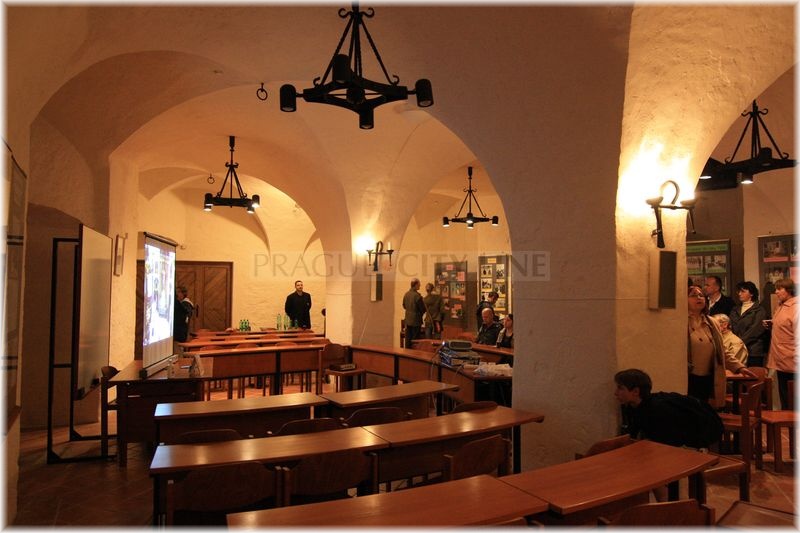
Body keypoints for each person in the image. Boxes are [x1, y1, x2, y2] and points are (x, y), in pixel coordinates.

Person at [614, 368, 724, 449]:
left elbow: (671, 443)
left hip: (696, 442)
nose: (615, 393)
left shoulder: (658, 410)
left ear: (635, 392)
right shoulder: (633, 407)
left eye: (620, 388)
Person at [688, 285, 753, 407]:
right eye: (693, 295)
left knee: (707, 411)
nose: (699, 298)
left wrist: (739, 367)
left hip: (709, 377)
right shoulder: (682, 322)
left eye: (701, 295)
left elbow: (721, 350)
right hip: (689, 377)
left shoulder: (712, 322)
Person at [765, 278, 797, 409]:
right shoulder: (781, 306)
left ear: (789, 290)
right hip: (781, 358)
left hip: (792, 359)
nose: (776, 292)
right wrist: (772, 325)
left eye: (779, 289)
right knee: (785, 396)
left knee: (793, 397)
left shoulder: (795, 307)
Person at [729, 281, 768, 367]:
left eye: (743, 291)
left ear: (751, 293)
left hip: (753, 350)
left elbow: (755, 330)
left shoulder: (759, 310)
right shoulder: (735, 309)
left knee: (753, 373)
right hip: (736, 349)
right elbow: (731, 326)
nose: (739, 294)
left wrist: (740, 342)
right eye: (739, 291)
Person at [402, 278, 426, 348]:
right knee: (415, 340)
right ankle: (414, 353)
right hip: (416, 321)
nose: (420, 286)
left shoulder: (406, 294)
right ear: (415, 285)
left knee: (408, 338)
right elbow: (423, 309)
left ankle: (406, 352)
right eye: (419, 285)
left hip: (408, 320)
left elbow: (404, 305)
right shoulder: (417, 296)